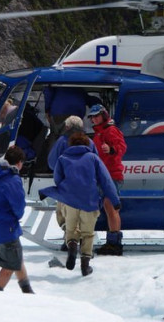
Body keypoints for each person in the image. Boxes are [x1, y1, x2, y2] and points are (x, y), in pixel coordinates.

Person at [39, 132, 120, 276]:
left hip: (70, 202)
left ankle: (71, 247)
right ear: (87, 144)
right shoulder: (93, 158)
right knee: (88, 234)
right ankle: (85, 266)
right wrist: (115, 201)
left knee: (71, 230)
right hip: (89, 202)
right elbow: (106, 181)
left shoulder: (63, 158)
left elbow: (58, 180)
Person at [0, 145, 34, 293]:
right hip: (6, 226)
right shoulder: (11, 179)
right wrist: (17, 216)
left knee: (16, 257)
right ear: (19, 163)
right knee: (10, 264)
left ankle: (27, 291)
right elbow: (18, 206)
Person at [47, 115, 99, 250]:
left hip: (67, 186)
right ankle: (83, 243)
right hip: (87, 187)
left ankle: (69, 239)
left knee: (64, 214)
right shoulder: (89, 142)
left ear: (67, 126)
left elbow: (52, 162)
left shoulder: (62, 141)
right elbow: (96, 161)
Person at [88, 104, 127, 256]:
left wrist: (111, 149)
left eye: (96, 115)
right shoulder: (99, 133)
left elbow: (122, 147)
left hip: (111, 176)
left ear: (103, 115)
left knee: (110, 206)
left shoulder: (110, 130)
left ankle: (114, 243)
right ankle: (112, 241)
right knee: (106, 206)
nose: (93, 119)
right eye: (91, 117)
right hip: (102, 176)